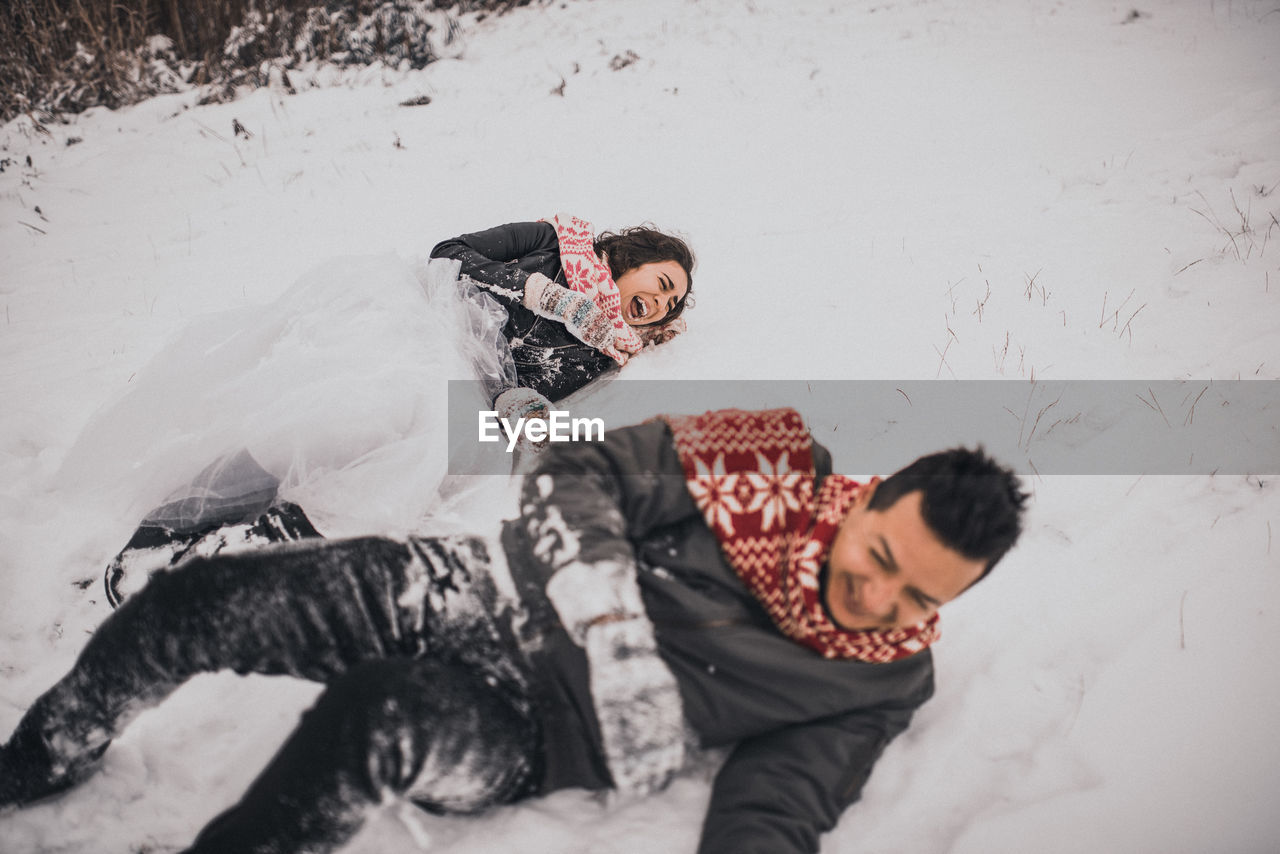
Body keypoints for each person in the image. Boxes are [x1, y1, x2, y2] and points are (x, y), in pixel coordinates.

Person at [0, 407, 1027, 853]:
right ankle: (44, 750)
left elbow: (781, 796)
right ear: (861, 502)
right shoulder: (765, 456)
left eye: (918, 597)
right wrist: (610, 616)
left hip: (527, 722)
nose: (878, 600)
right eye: (879, 557)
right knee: (196, 603)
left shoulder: (880, 677)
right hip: (474, 585)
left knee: (376, 718)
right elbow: (573, 466)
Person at [95, 213, 696, 604]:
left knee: (429, 458)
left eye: (672, 303)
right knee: (350, 417)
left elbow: (528, 390)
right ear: (632, 258)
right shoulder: (554, 241)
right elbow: (450, 253)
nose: (661, 301)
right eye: (662, 281)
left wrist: (519, 402)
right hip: (418, 322)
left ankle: (248, 548)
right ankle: (168, 526)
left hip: (463, 384)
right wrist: (546, 295)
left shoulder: (607, 353)